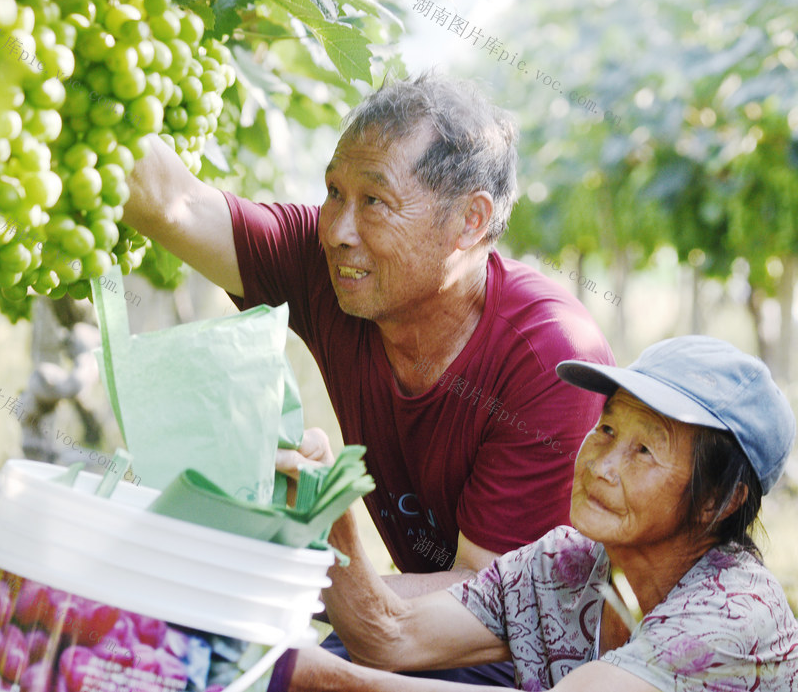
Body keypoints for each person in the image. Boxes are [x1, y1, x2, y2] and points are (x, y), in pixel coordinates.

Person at [122, 72, 614, 685]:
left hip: (522, 656)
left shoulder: (548, 358)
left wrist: (258, 578)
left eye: (374, 201)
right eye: (333, 191)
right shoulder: (330, 265)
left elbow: (480, 603)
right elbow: (172, 204)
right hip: (401, 629)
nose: (336, 229)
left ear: (469, 221)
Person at [279, 335, 798, 691]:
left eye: (645, 452)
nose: (602, 464)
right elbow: (390, 634)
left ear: (718, 501)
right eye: (608, 429)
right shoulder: (567, 567)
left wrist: (308, 673)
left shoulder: (735, 615)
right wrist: (331, 516)